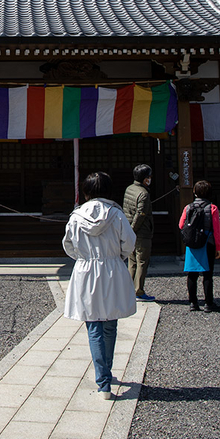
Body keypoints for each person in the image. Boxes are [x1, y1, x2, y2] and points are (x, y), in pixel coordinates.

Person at [62, 170, 136, 400]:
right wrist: (116, 256)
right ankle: (107, 372)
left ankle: (102, 382)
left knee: (93, 325)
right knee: (110, 323)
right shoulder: (116, 214)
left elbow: (68, 245)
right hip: (112, 268)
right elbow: (130, 243)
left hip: (86, 270)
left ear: (86, 192)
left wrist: (84, 259)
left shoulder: (76, 216)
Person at [179, 179, 220, 312]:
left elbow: (181, 225)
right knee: (208, 274)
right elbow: (217, 230)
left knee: (192, 274)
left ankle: (193, 302)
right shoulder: (212, 208)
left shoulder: (188, 207)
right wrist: (218, 248)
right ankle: (209, 303)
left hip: (192, 243)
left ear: (195, 193)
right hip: (208, 243)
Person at [122, 163, 155, 301]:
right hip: (141, 233)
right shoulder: (144, 193)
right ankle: (139, 291)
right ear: (145, 178)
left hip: (129, 229)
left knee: (132, 261)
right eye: (149, 177)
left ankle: (129, 289)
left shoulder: (129, 189)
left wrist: (129, 231)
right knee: (142, 261)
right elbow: (140, 214)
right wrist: (134, 230)